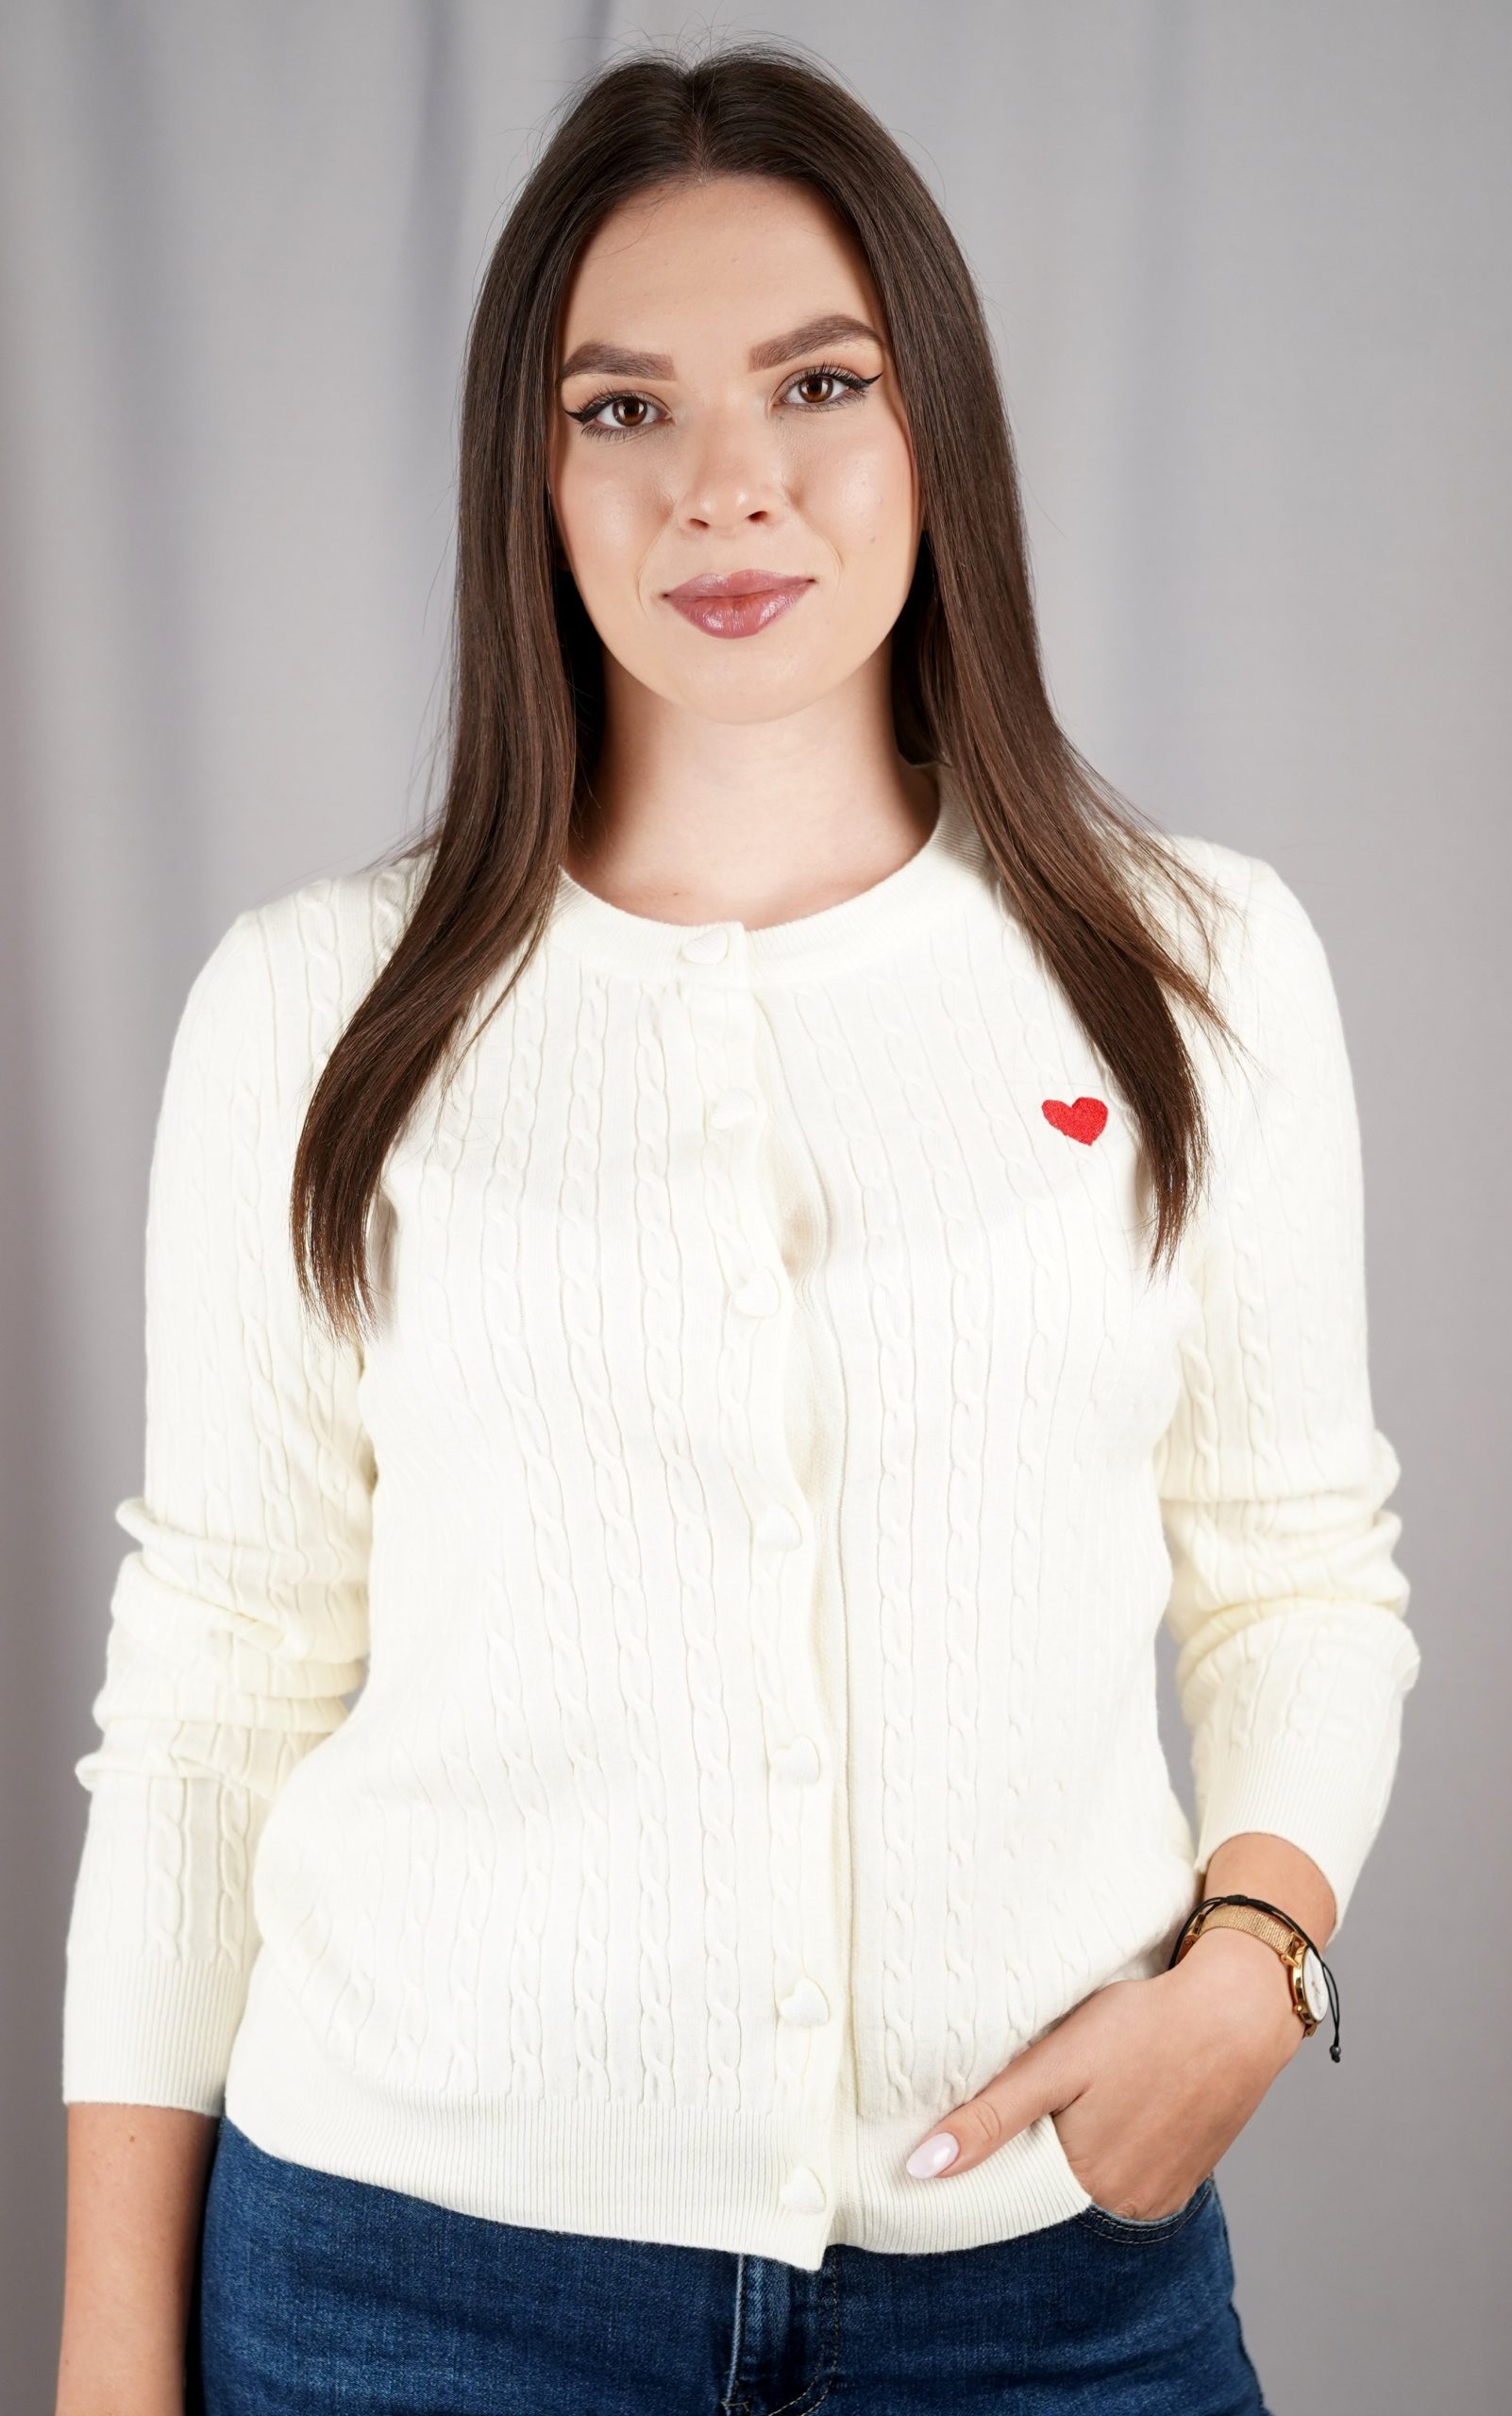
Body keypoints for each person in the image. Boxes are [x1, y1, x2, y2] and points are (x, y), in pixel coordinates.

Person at [55, 37, 1420, 2416]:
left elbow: (1299, 1571)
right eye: (622, 409)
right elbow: (209, 1698)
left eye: (818, 382)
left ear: (936, 424)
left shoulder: (1198, 965)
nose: (726, 486)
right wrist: (103, 2361)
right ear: (531, 474)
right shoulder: (311, 1007)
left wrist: (1255, 1964)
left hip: (1044, 2291)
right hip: (409, 2292)